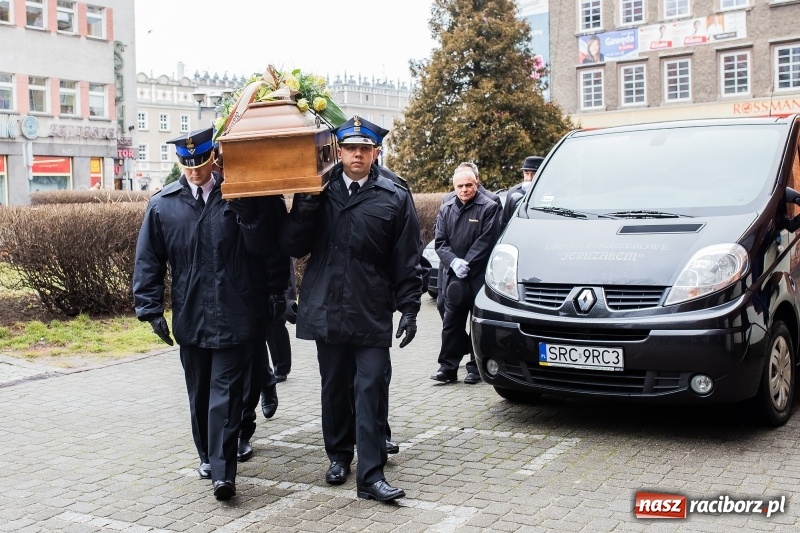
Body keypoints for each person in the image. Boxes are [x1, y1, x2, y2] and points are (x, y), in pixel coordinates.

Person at [133, 127, 287, 501]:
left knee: (227, 394)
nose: (194, 171)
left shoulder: (239, 195)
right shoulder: (163, 205)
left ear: (213, 158)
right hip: (191, 315)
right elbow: (149, 261)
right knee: (199, 393)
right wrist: (150, 309)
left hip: (236, 313)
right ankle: (207, 455)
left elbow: (269, 249)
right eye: (187, 165)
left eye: (199, 163)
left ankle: (223, 471)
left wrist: (275, 296)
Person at [281, 115, 423, 502]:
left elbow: (407, 258)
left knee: (371, 386)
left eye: (365, 148)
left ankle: (371, 475)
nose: (357, 155)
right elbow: (293, 245)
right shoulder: (319, 191)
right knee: (334, 388)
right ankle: (339, 456)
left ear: (376, 152)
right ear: (339, 151)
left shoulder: (394, 195)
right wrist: (307, 202)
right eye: (350, 148)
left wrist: (409, 308)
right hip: (327, 306)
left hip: (370, 308)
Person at [431, 164, 502, 385]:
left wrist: (467, 263)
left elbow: (487, 240)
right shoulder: (446, 208)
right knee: (451, 322)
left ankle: (474, 367)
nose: (464, 190)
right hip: (454, 276)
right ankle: (448, 367)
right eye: (460, 186)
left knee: (476, 322)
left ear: (476, 184)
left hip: (478, 276)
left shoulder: (489, 207)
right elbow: (440, 242)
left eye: (468, 185)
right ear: (454, 187)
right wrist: (453, 262)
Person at [501, 156, 544, 229]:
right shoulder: (513, 192)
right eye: (527, 173)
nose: (529, 178)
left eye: (534, 174)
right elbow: (505, 221)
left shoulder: (549, 192)